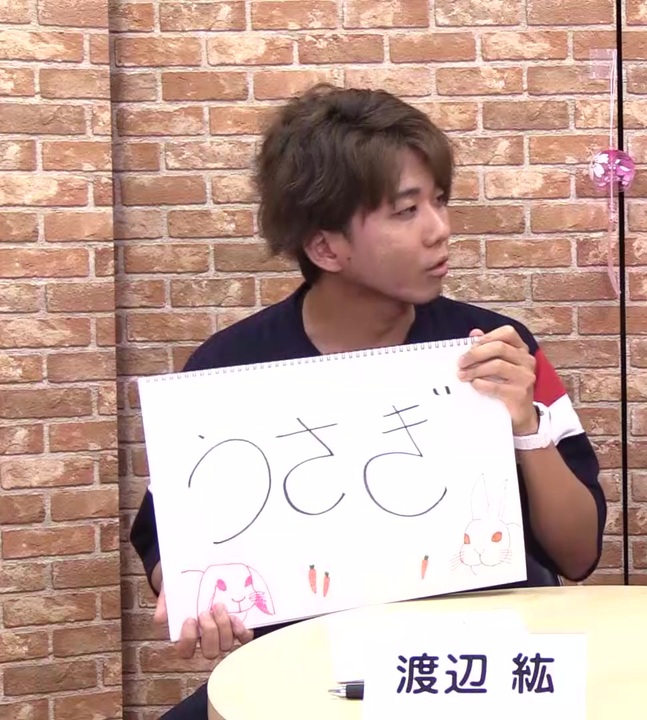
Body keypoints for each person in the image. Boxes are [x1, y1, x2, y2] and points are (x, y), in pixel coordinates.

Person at [128, 83, 607, 719]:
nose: (440, 230)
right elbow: (170, 554)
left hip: (474, 673)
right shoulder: (228, 372)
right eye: (406, 211)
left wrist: (525, 425)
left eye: (439, 200)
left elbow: (579, 552)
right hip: (310, 674)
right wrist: (199, 603)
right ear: (326, 246)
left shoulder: (498, 350)